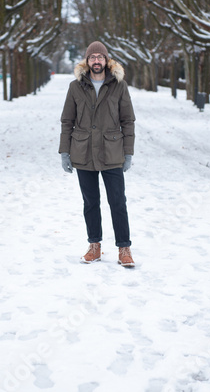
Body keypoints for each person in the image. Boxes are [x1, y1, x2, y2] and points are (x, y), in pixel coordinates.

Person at [59, 41, 136, 267]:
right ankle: (95, 246)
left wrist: (128, 153)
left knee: (117, 202)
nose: (96, 61)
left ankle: (124, 248)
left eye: (99, 57)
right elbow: (67, 121)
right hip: (83, 153)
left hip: (112, 152)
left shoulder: (119, 86)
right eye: (92, 57)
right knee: (90, 202)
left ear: (106, 60)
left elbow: (128, 121)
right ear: (87, 61)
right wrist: (65, 151)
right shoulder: (75, 87)